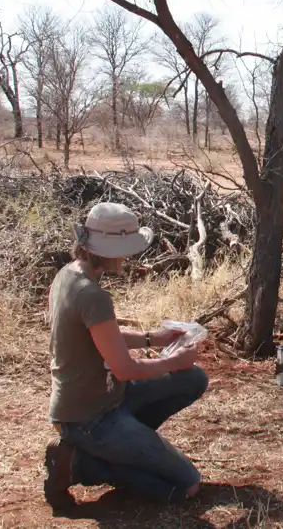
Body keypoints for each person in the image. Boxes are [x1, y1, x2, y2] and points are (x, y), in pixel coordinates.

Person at [43, 202, 208, 511]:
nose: (128, 257)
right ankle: (83, 465)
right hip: (91, 418)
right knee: (186, 485)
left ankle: (122, 447)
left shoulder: (69, 275)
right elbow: (124, 368)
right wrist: (174, 361)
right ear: (109, 249)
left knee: (193, 378)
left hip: (105, 400)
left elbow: (102, 339)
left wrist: (152, 338)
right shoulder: (93, 295)